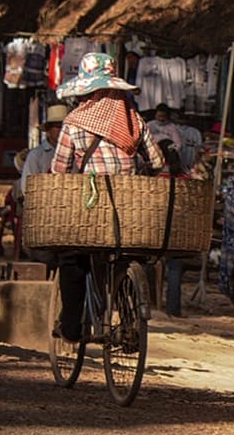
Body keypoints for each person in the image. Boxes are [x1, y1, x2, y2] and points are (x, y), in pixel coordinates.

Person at [52, 52, 165, 342]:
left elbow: (59, 170)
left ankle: (72, 327)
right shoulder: (134, 120)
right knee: (127, 253)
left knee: (72, 260)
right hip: (130, 210)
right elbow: (156, 163)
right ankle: (129, 317)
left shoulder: (74, 123)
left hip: (91, 209)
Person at [145, 102, 183, 173]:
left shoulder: (172, 127)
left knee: (169, 145)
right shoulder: (150, 125)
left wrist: (170, 150)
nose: (161, 119)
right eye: (159, 116)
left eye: (163, 116)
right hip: (153, 149)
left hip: (168, 149)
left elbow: (178, 144)